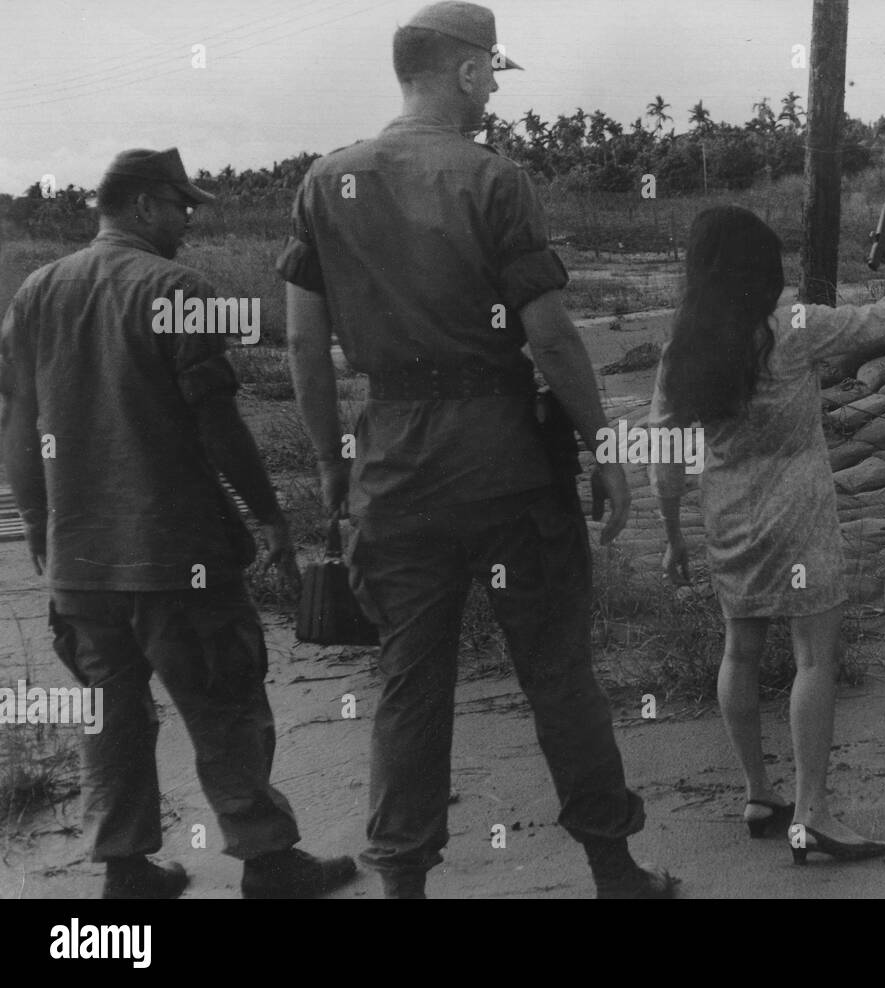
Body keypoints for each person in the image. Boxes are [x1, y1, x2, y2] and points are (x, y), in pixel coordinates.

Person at [277, 1, 674, 899]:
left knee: (409, 684)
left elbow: (304, 347)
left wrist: (334, 464)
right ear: (463, 72)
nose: (494, 86)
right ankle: (616, 871)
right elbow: (553, 339)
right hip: (503, 467)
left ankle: (403, 884)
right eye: (492, 71)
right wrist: (603, 450)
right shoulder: (494, 180)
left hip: (392, 469)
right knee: (558, 674)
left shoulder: (325, 183)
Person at [0, 147, 358, 898]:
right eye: (181, 207)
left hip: (82, 564)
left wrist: (39, 524)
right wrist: (269, 517)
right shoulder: (176, 289)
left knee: (111, 718)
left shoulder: (37, 291)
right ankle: (265, 859)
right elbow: (218, 424)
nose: (189, 221)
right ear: (142, 206)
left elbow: (19, 422)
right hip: (177, 555)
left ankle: (125, 867)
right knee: (226, 703)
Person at [648, 205, 885, 863]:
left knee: (739, 650)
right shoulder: (794, 326)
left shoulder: (681, 346)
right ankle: (813, 812)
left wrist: (672, 537)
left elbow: (664, 463)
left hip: (727, 512)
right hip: (798, 508)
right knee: (811, 657)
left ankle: (757, 792)